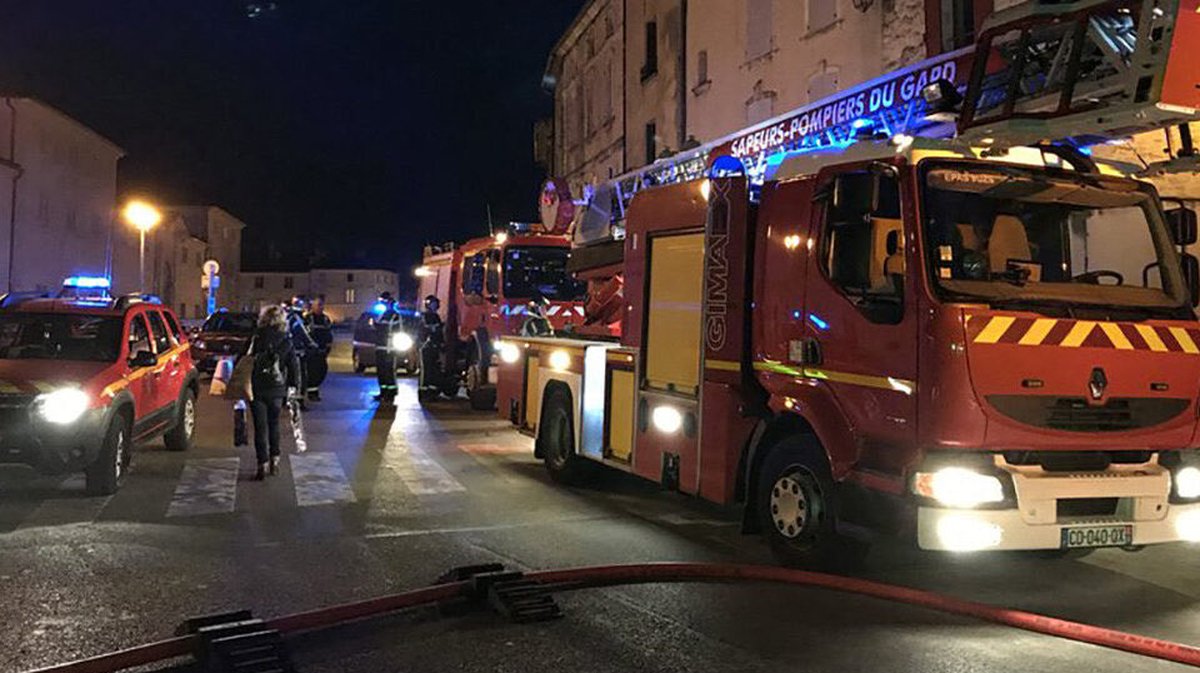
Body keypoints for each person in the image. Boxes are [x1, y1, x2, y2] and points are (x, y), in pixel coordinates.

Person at [248, 305, 300, 481]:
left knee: (259, 427)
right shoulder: (286, 340)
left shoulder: (256, 337)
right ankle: (274, 460)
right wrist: (293, 388)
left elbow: (244, 359)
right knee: (274, 425)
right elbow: (293, 366)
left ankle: (261, 463)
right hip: (277, 388)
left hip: (257, 387)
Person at [286, 296, 319, 408]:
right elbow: (303, 333)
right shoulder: (296, 318)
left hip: (290, 351)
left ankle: (290, 400)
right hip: (297, 351)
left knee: (291, 376)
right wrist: (312, 344)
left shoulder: (289, 317)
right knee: (300, 377)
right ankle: (298, 401)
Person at [373, 292, 403, 402]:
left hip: (390, 347)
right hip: (380, 346)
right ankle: (383, 392)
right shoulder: (380, 315)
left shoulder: (396, 316)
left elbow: (397, 331)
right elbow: (376, 328)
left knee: (389, 371)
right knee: (381, 371)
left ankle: (391, 393)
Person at [304, 296, 333, 401]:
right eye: (319, 305)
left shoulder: (325, 319)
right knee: (312, 372)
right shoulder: (308, 318)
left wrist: (328, 346)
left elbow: (329, 333)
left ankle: (313, 392)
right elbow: (305, 335)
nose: (321, 307)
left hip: (322, 350)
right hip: (311, 351)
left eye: (322, 305)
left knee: (321, 371)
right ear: (313, 306)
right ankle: (312, 393)